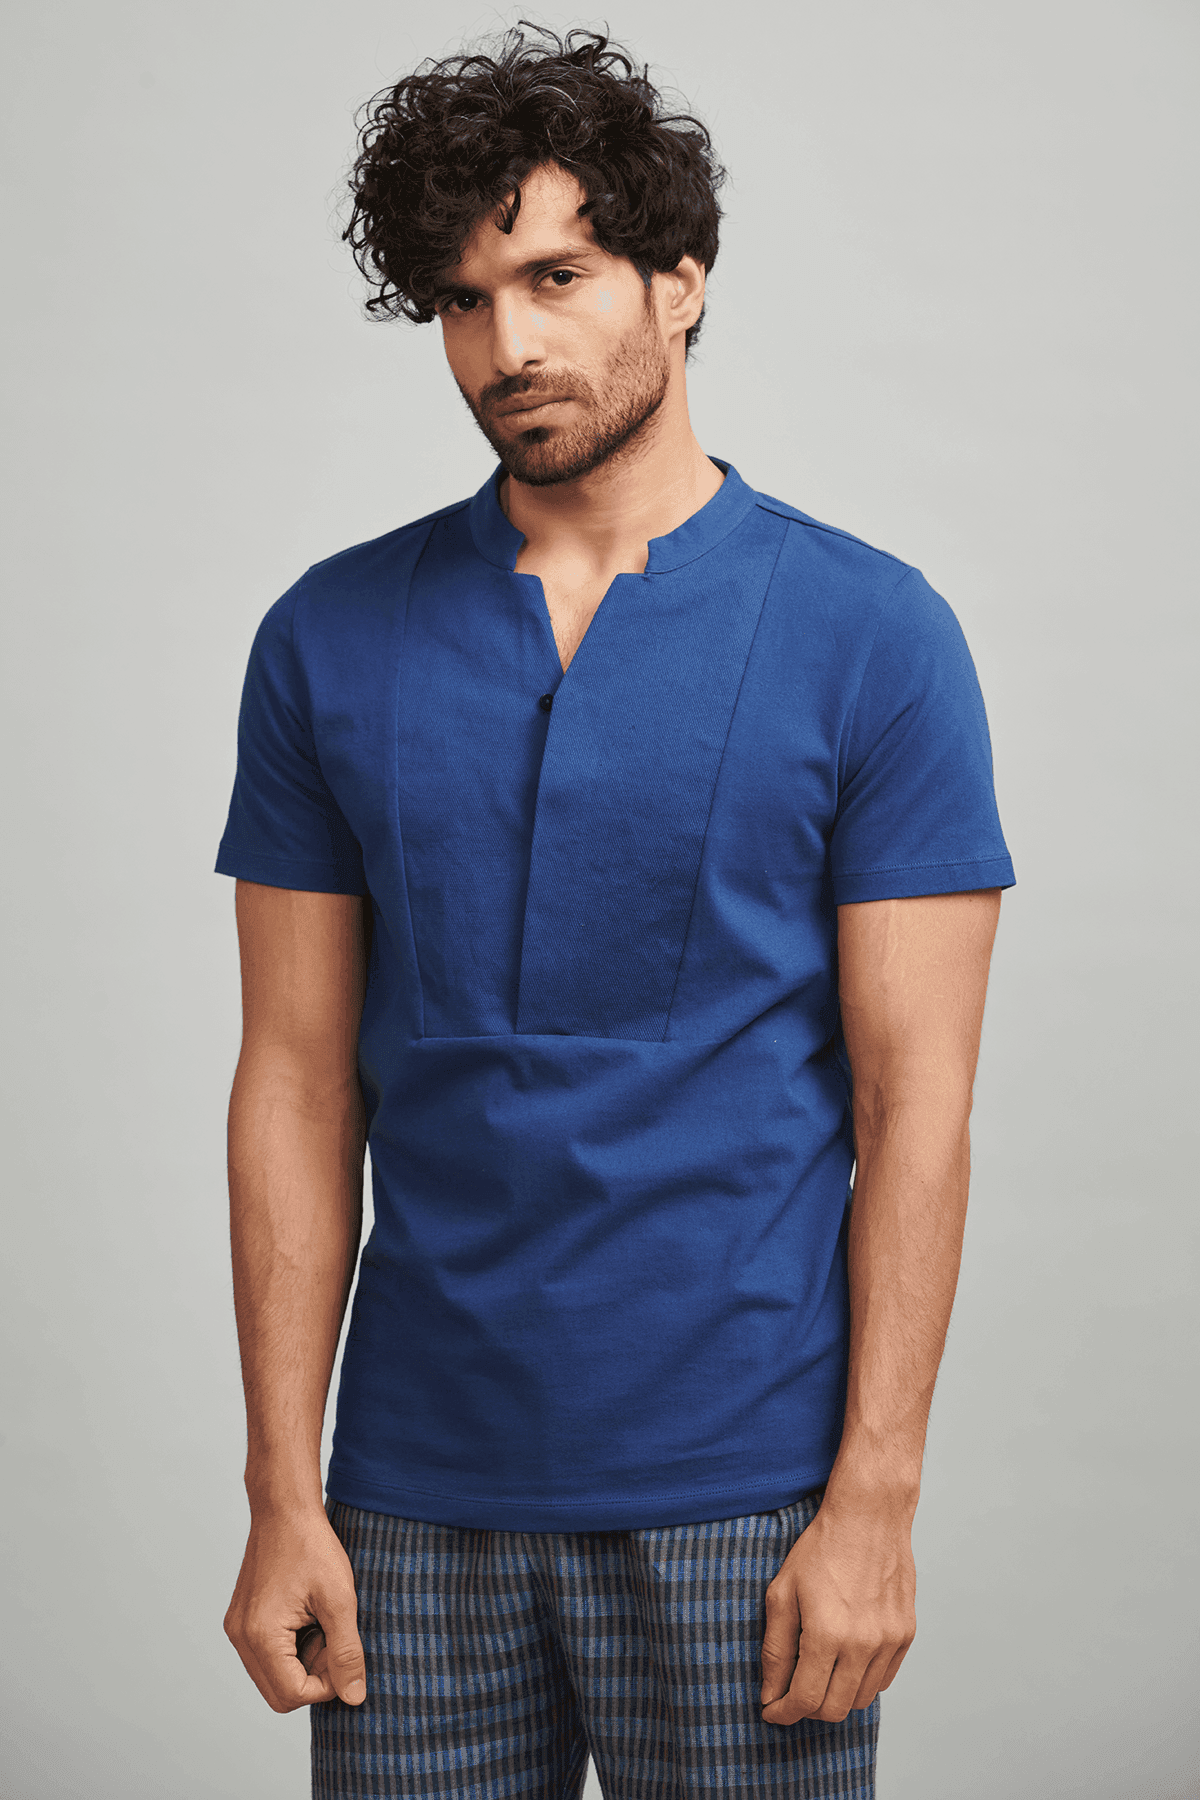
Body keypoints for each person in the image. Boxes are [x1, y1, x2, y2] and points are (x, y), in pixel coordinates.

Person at [216, 23, 1014, 1800]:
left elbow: (920, 1101)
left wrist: (876, 1501)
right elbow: (293, 1080)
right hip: (407, 1501)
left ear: (681, 279)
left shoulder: (874, 637)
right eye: (463, 298)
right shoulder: (326, 637)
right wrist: (281, 1490)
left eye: (557, 277)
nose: (508, 344)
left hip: (750, 1501)